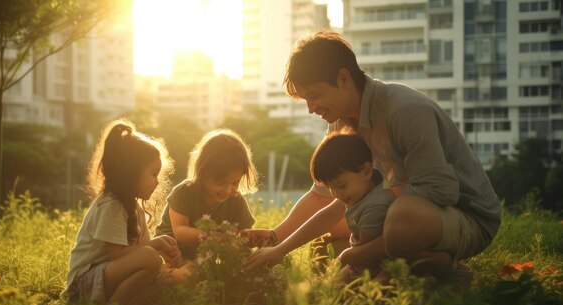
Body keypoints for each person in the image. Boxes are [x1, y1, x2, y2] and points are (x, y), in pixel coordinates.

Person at [244, 29, 501, 282]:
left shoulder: (403, 111)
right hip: (400, 215)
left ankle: (433, 267)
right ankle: (424, 265)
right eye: (306, 101)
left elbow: (441, 191)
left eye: (315, 96)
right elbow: (325, 197)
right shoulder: (340, 121)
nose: (311, 109)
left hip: (465, 216)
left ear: (344, 78)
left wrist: (364, 249)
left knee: (401, 216)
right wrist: (276, 242)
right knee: (330, 241)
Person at [62, 120, 186, 305]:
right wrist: (156, 246)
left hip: (107, 280)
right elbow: (117, 254)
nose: (157, 182)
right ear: (131, 174)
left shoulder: (134, 209)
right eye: (154, 174)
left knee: (161, 283)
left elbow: (144, 253)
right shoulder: (112, 205)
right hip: (84, 286)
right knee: (150, 259)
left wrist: (169, 260)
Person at [244, 131, 394, 278]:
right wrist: (277, 244)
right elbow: (327, 216)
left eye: (341, 185)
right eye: (330, 188)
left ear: (367, 171)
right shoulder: (363, 190)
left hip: (369, 270)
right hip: (359, 265)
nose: (337, 194)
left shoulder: (374, 207)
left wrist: (343, 260)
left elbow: (364, 258)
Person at [156, 128, 259, 260]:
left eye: (235, 183)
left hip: (204, 260)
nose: (228, 190)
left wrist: (250, 241)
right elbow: (180, 232)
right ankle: (166, 275)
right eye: (220, 183)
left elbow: (244, 237)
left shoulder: (236, 201)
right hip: (171, 254)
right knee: (189, 274)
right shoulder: (184, 192)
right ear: (203, 174)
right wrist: (217, 237)